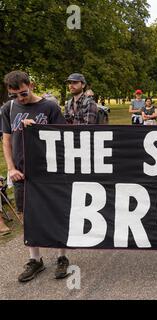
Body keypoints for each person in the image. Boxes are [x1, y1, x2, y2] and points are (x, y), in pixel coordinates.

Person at [1, 71, 69, 282]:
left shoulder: (49, 107)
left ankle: (61, 257)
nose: (19, 99)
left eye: (22, 93)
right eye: (14, 95)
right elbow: (6, 141)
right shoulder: (8, 108)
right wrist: (11, 168)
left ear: (31, 84)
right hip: (22, 171)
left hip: (48, 170)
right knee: (26, 216)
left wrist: (39, 128)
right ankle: (35, 260)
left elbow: (63, 137)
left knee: (55, 212)